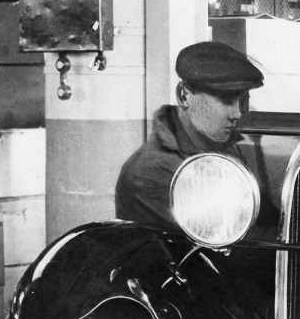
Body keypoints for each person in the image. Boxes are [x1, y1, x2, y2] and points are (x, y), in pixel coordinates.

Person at [115, 41, 274, 231]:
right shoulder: (150, 173)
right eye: (227, 100)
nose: (238, 113)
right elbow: (215, 238)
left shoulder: (224, 147)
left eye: (243, 101)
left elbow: (258, 215)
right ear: (184, 96)